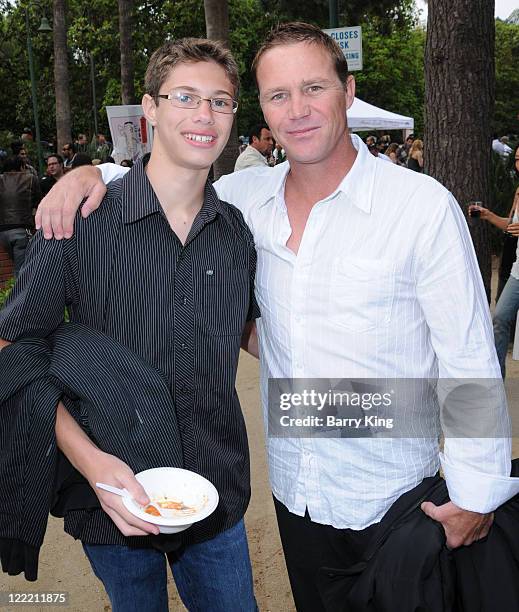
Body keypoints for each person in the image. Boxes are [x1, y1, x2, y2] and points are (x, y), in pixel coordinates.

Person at [35, 22, 519, 612]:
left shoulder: (419, 207)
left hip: (397, 497)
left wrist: (476, 491)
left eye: (313, 87)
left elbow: (467, 358)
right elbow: (170, 187)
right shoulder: (246, 201)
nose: (297, 110)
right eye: (277, 95)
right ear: (261, 109)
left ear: (347, 89)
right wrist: (95, 176)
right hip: (296, 493)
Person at [0, 38, 259, 612]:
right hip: (110, 493)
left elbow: (248, 331)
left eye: (220, 102)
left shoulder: (237, 233)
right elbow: (12, 345)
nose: (204, 115)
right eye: (185, 97)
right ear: (150, 109)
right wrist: (93, 465)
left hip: (216, 488)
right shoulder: (85, 222)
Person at [469, 146, 519, 378]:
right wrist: (488, 215)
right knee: (500, 318)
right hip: (518, 270)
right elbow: (512, 226)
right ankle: (496, 378)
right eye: (517, 159)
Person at [0, 156, 41, 277]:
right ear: (22, 167)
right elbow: (38, 201)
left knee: (19, 266)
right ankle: (22, 295)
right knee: (22, 270)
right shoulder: (30, 179)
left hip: (2, 231)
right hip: (22, 229)